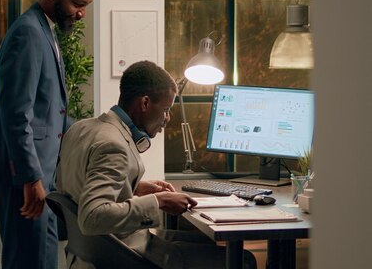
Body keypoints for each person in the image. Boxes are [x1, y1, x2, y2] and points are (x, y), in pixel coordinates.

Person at [56, 61, 256, 269]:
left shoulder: (81, 128)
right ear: (145, 103)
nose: (167, 118)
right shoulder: (113, 145)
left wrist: (134, 186)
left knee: (205, 241)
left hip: (89, 254)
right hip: (121, 255)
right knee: (244, 260)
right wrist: (157, 202)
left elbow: (79, 186)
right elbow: (92, 216)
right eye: (166, 109)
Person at [0, 0, 93, 269]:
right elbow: (17, 114)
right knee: (28, 261)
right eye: (77, 4)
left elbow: (47, 111)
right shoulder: (28, 33)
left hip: (36, 171)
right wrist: (31, 178)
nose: (82, 13)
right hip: (23, 175)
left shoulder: (45, 29)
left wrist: (90, 131)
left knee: (41, 256)